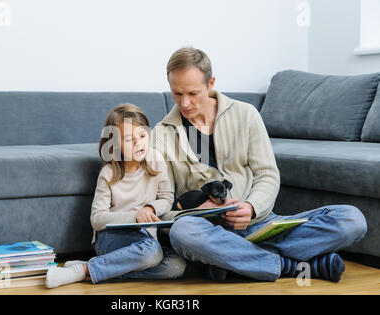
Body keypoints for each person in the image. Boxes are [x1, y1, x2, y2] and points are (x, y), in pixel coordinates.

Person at [151, 47, 368, 282]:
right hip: (209, 232)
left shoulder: (246, 114)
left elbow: (267, 174)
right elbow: (162, 206)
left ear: (211, 83)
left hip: (262, 223)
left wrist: (252, 207)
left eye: (193, 93)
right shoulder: (161, 134)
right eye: (177, 94)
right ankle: (288, 265)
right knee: (183, 232)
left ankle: (233, 261)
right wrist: (196, 212)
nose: (185, 103)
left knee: (351, 219)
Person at [46, 103, 186, 288]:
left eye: (142, 135)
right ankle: (83, 271)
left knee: (176, 266)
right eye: (129, 139)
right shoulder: (108, 173)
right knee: (151, 253)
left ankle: (97, 267)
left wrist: (150, 208)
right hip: (111, 237)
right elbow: (97, 219)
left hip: (145, 239)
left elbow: (167, 198)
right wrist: (135, 216)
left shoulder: (156, 160)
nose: (139, 143)